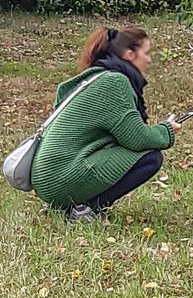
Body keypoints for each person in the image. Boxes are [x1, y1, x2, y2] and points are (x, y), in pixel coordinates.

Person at [30, 26, 181, 222]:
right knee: (150, 157)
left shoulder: (92, 77)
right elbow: (137, 139)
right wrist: (166, 130)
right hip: (60, 179)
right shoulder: (115, 82)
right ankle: (85, 209)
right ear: (130, 55)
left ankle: (64, 206)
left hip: (44, 178)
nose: (150, 60)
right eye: (146, 53)